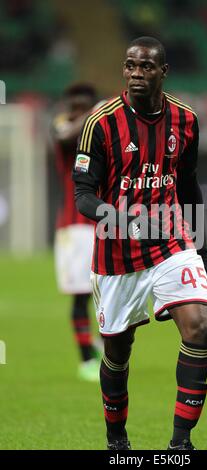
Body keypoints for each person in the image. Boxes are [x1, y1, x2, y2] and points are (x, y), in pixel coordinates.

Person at [73, 37, 207, 449]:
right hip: (116, 254)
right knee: (117, 352)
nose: (137, 73)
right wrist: (123, 222)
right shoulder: (100, 122)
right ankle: (117, 441)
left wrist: (201, 250)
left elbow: (187, 186)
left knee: (200, 326)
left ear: (162, 72)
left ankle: (179, 446)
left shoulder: (185, 120)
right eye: (131, 66)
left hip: (171, 241)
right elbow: (83, 195)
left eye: (146, 67)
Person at [52, 83, 104, 382]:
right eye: (74, 107)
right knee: (80, 296)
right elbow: (65, 134)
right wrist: (95, 112)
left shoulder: (101, 132)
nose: (77, 112)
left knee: (108, 293)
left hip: (102, 225)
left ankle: (98, 346)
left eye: (83, 106)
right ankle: (85, 361)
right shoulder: (62, 125)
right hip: (74, 229)